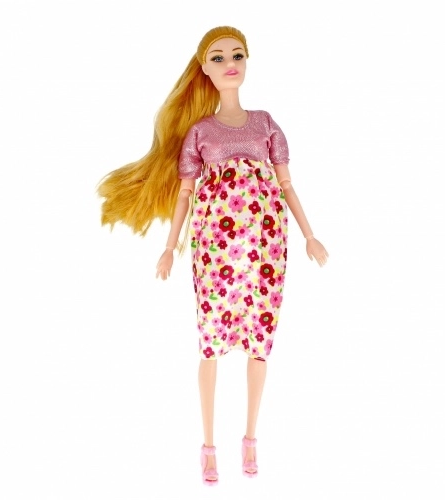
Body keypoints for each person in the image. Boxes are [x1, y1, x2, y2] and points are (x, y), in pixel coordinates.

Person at [98, 26, 329, 486]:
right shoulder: (200, 132)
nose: (230, 64)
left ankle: (251, 439)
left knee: (260, 340)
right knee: (211, 341)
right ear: (204, 68)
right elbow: (186, 193)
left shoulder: (265, 123)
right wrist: (169, 246)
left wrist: (309, 234)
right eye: (218, 57)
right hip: (215, 248)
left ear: (247, 61)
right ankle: (208, 446)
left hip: (265, 242)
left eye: (237, 55)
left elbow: (285, 184)